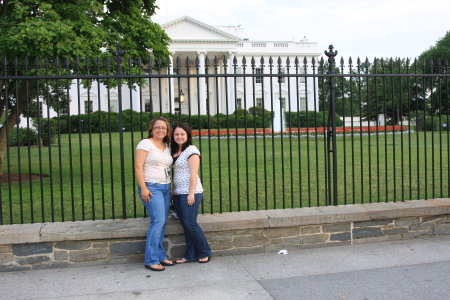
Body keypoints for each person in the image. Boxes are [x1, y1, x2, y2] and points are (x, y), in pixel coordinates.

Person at [134, 116, 175, 271]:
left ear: (167, 130)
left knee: (162, 222)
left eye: (163, 128)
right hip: (152, 187)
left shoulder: (166, 145)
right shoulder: (145, 143)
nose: (160, 130)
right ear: (152, 129)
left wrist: (170, 188)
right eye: (157, 127)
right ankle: (150, 259)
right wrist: (143, 188)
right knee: (157, 221)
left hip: (165, 187)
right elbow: (138, 166)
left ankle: (160, 255)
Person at [171, 123, 212, 264]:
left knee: (190, 223)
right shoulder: (174, 151)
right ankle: (190, 255)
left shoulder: (191, 150)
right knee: (186, 224)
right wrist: (172, 191)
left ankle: (205, 251)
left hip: (190, 192)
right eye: (176, 134)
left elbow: (194, 173)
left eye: (182, 134)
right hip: (177, 192)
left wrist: (191, 193)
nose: (179, 136)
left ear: (188, 135)